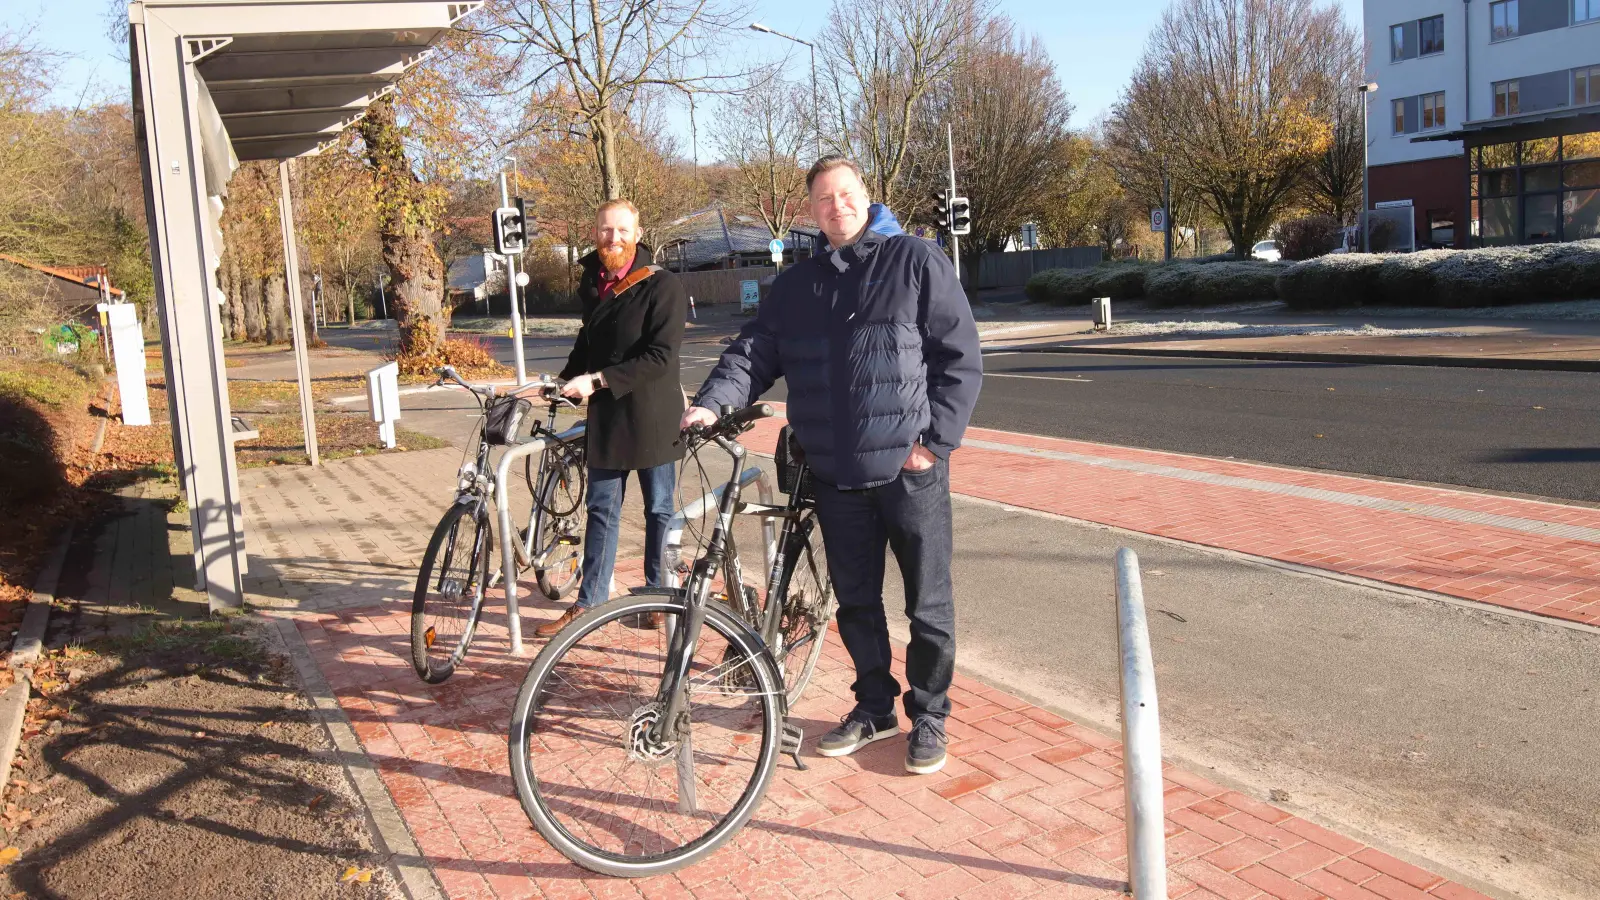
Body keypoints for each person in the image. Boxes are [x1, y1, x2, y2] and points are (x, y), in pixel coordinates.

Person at [682, 155, 982, 775]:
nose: (836, 206)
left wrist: (933, 445)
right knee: (855, 604)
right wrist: (711, 405)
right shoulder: (798, 285)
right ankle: (874, 708)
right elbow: (752, 351)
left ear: (866, 198)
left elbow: (960, 357)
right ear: (811, 211)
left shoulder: (917, 261)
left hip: (910, 473)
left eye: (846, 194)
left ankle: (929, 716)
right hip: (836, 475)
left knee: (928, 605)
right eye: (824, 198)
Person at [536, 199, 687, 638]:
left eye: (622, 231)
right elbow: (588, 344)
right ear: (595, 233)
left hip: (653, 416)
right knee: (602, 510)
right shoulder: (592, 282)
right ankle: (590, 602)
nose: (613, 238)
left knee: (659, 509)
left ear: (637, 234)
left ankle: (657, 597)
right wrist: (560, 381)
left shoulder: (663, 286)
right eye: (606, 230)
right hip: (608, 415)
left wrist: (596, 381)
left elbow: (660, 357)